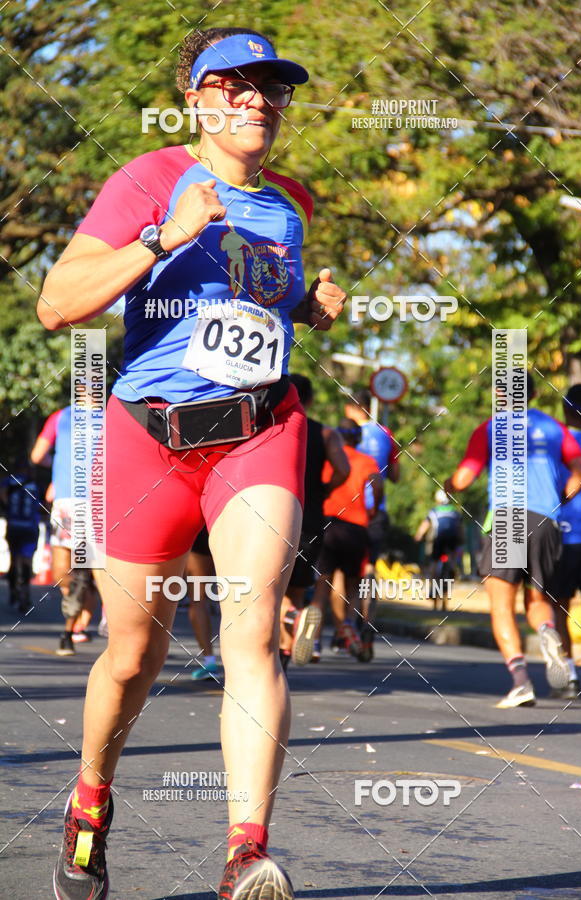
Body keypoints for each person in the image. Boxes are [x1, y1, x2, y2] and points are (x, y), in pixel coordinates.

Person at [39, 27, 346, 900]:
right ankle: (91, 799)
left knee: (253, 636)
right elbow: (56, 305)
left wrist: (311, 303)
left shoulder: (290, 201)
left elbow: (264, 295)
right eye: (234, 83)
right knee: (132, 655)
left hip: (258, 430)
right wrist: (163, 234)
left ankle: (246, 852)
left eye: (271, 87)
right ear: (196, 98)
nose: (255, 99)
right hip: (151, 437)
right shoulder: (145, 178)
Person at [445, 373, 581, 708]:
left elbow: (464, 478)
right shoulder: (556, 427)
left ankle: (521, 681)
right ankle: (547, 635)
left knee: (501, 604)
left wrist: (449, 485)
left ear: (500, 393)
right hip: (547, 520)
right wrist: (561, 498)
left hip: (508, 516)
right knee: (538, 602)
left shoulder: (491, 427)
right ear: (535, 393)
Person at [279, 373, 349, 668]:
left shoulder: (275, 426)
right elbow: (343, 470)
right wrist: (322, 490)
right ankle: (286, 649)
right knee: (296, 587)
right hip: (311, 517)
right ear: (310, 399)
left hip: (276, 513)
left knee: (270, 590)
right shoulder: (325, 434)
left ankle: (293, 620)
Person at [311, 418, 383, 662]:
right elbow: (378, 483)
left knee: (321, 587)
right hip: (356, 529)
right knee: (353, 586)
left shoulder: (333, 458)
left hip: (329, 524)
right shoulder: (367, 461)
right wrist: (372, 512)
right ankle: (349, 625)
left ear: (340, 437)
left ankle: (315, 643)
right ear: (359, 438)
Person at [31, 406, 99, 655]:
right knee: (65, 570)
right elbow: (37, 455)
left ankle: (71, 627)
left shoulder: (66, 416)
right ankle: (80, 606)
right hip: (68, 500)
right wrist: (58, 475)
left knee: (79, 570)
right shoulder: (61, 416)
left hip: (95, 502)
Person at [551, 384, 581, 694]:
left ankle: (567, 668)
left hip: (564, 536)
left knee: (560, 604)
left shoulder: (557, 441)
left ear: (566, 410)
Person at [344, 388, 400, 567]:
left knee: (343, 567)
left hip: (347, 509)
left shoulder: (343, 434)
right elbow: (395, 475)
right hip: (376, 508)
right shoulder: (386, 433)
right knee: (369, 563)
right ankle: (368, 594)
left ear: (350, 408)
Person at [0, 462, 40, 613]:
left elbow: (3, 497)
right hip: (29, 527)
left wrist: (8, 508)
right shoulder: (34, 484)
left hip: (14, 525)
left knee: (14, 559)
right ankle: (25, 594)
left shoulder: (8, 481)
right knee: (26, 561)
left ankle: (14, 592)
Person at [414, 488, 462, 610]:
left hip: (439, 541)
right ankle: (451, 572)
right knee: (451, 565)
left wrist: (418, 536)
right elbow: (460, 529)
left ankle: (433, 585)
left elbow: (425, 525)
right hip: (452, 543)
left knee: (434, 563)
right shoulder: (455, 512)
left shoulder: (434, 511)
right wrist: (461, 541)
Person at [187, 527, 221, 681]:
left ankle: (210, 662)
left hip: (200, 528)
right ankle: (246, 663)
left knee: (198, 600)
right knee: (240, 598)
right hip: (230, 521)